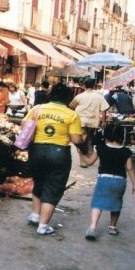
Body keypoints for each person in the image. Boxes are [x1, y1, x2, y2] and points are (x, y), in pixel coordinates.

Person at [23, 83, 90, 235]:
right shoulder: (71, 114)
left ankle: (35, 214)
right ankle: (43, 226)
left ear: (51, 95)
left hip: (36, 151)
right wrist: (84, 139)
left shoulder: (38, 108)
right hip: (59, 153)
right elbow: (76, 140)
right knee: (53, 187)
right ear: (68, 97)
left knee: (39, 182)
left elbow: (24, 125)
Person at [81, 123, 135, 240]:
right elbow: (130, 168)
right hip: (119, 181)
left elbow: (89, 162)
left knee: (98, 202)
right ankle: (112, 227)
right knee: (116, 203)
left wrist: (80, 153)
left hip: (104, 179)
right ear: (122, 137)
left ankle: (92, 227)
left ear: (106, 135)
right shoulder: (126, 151)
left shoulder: (101, 148)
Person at [69, 78, 109, 166]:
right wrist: (104, 121)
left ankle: (83, 161)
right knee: (90, 140)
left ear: (84, 86)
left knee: (81, 141)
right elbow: (104, 109)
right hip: (93, 122)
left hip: (80, 121)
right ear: (94, 86)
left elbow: (71, 106)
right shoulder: (98, 97)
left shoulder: (79, 96)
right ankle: (88, 159)